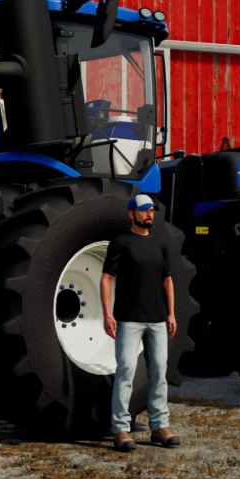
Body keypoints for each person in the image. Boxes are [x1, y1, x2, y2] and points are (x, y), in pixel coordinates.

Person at [100, 194, 181, 452]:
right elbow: (106, 278)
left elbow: (167, 279)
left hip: (157, 319)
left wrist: (171, 313)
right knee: (125, 372)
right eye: (144, 210)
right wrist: (107, 314)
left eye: (152, 210)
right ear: (131, 213)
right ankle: (121, 430)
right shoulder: (121, 243)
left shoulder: (159, 243)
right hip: (128, 319)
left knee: (159, 372)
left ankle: (160, 427)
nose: (149, 214)